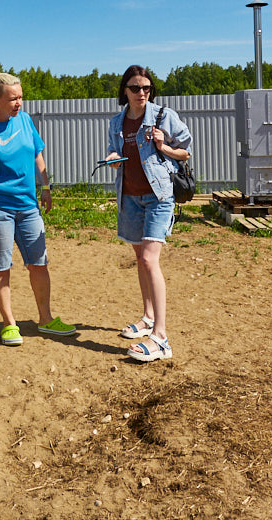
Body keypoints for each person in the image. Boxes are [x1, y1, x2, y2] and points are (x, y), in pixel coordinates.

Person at [0, 72, 77, 346]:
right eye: (13, 98)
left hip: (28, 208)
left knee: (39, 263)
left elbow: (37, 153)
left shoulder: (25, 121)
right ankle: (9, 324)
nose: (19, 103)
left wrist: (46, 187)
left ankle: (46, 319)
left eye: (21, 97)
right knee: (1, 267)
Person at [103, 65, 192, 362]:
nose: (142, 93)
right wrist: (113, 159)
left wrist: (163, 145)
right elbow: (117, 154)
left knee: (150, 260)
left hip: (159, 196)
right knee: (140, 259)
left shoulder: (164, 116)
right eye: (135, 88)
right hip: (129, 197)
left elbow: (186, 153)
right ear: (124, 91)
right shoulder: (117, 122)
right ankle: (148, 318)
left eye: (146, 88)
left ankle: (162, 338)